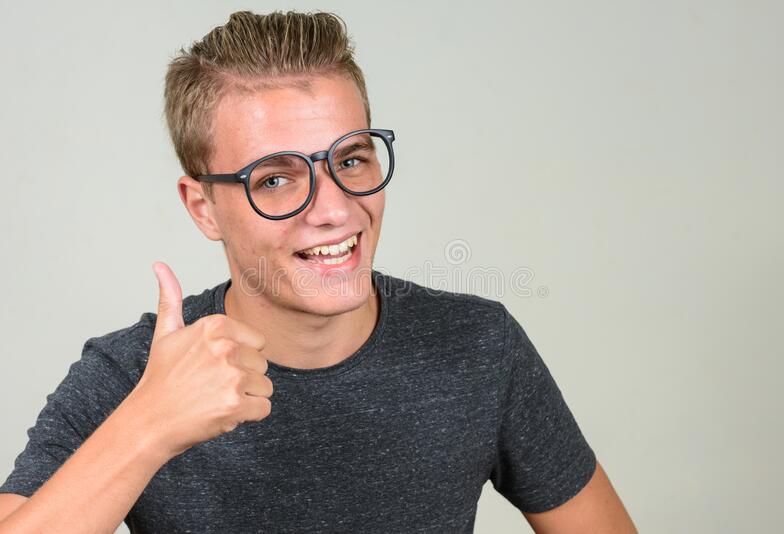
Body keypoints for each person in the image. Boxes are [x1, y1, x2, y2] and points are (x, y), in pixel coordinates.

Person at [0, 9, 636, 533]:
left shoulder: (478, 345)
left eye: (352, 160)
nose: (334, 210)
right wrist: (147, 428)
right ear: (204, 207)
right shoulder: (131, 374)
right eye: (275, 179)